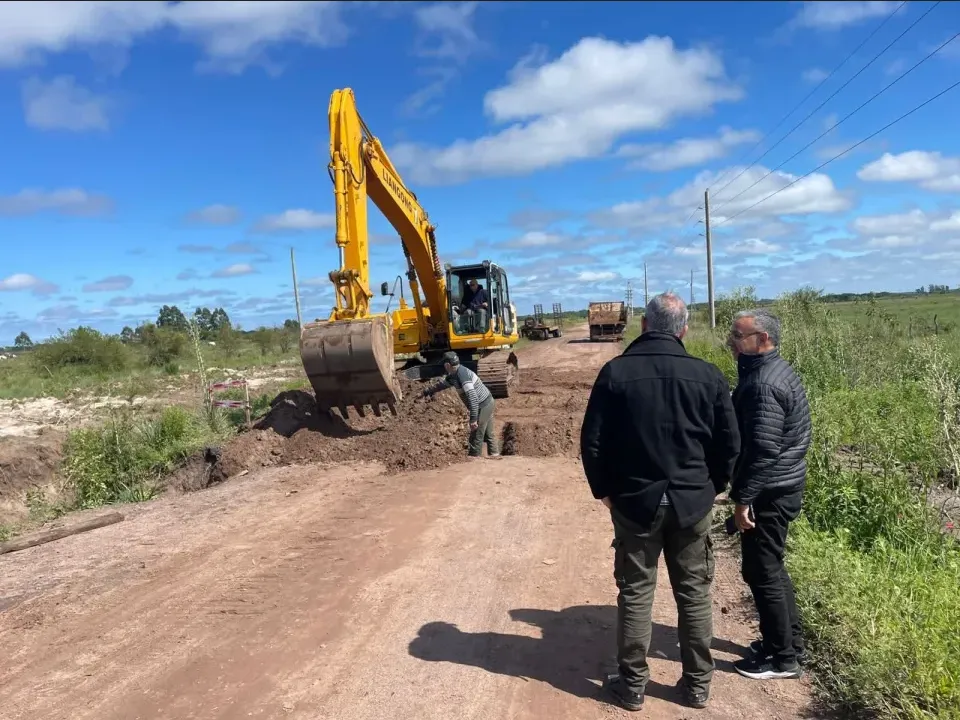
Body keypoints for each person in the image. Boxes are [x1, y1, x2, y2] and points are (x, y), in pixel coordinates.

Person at [580, 292, 741, 712]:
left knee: (636, 593)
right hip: (692, 503)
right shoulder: (708, 376)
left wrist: (606, 492)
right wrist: (712, 487)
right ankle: (697, 686)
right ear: (683, 329)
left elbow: (592, 443)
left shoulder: (615, 374)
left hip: (635, 504)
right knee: (694, 594)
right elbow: (729, 444)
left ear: (645, 326)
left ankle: (632, 686)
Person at [726, 308, 811, 681]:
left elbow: (762, 450)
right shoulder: (771, 372)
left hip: (770, 492)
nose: (732, 341)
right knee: (771, 567)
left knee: (761, 572)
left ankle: (782, 660)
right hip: (782, 484)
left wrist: (743, 499)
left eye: (738, 336)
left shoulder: (763, 384)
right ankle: (788, 643)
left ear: (763, 340)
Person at [422, 351, 500, 458]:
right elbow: (442, 385)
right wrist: (428, 391)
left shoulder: (462, 375)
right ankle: (495, 457)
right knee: (488, 434)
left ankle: (473, 460)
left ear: (447, 365)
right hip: (488, 401)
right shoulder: (454, 375)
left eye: (444, 364)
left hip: (483, 405)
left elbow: (473, 398)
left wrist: (473, 419)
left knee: (476, 435)